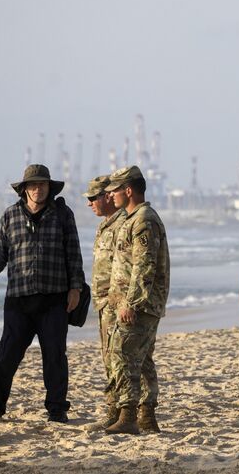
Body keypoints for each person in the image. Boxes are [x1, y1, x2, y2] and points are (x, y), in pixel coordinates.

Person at [0, 164, 85, 423]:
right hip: (19, 301)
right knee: (5, 356)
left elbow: (74, 253)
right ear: (24, 189)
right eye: (33, 185)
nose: (38, 189)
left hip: (54, 299)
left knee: (55, 357)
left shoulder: (62, 214)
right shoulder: (10, 216)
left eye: (43, 185)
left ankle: (57, 409)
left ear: (49, 187)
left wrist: (76, 288)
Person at [103, 166, 170, 434]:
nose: (111, 196)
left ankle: (129, 415)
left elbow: (145, 266)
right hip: (134, 302)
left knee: (122, 352)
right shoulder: (132, 218)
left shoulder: (144, 220)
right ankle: (146, 417)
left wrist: (131, 303)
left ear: (128, 191)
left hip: (139, 304)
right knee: (142, 360)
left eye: (115, 190)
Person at [83, 175, 128, 431]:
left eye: (93, 198)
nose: (90, 204)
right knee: (109, 359)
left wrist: (120, 302)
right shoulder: (105, 225)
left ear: (108, 196)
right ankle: (117, 410)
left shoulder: (123, 223)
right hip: (103, 304)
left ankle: (121, 412)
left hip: (116, 303)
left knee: (118, 359)